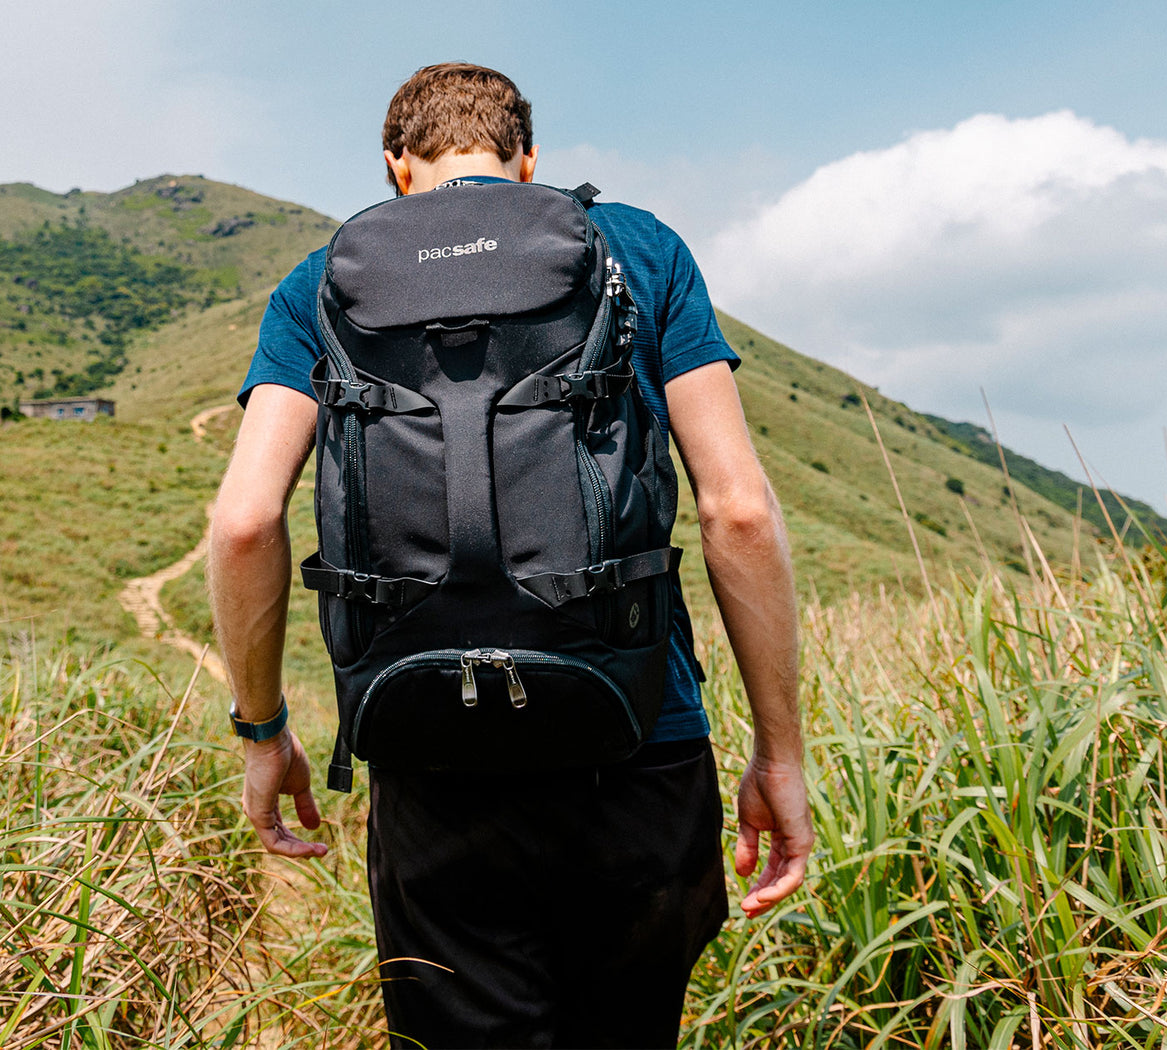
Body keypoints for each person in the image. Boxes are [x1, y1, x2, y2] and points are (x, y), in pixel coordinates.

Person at [208, 62, 813, 1049]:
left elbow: (242, 522)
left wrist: (263, 730)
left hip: (428, 752)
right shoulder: (637, 250)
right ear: (528, 160)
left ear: (396, 165)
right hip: (638, 741)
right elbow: (738, 512)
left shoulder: (317, 283)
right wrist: (779, 753)